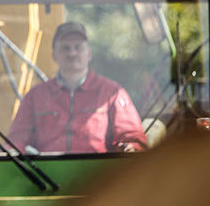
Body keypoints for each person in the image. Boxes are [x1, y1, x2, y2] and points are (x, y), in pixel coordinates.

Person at [8, 21, 147, 154]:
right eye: (65, 48)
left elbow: (132, 137)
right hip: (43, 171)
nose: (72, 53)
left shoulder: (112, 93)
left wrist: (131, 147)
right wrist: (11, 152)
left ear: (89, 53)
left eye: (78, 47)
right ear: (54, 55)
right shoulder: (35, 97)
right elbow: (16, 141)